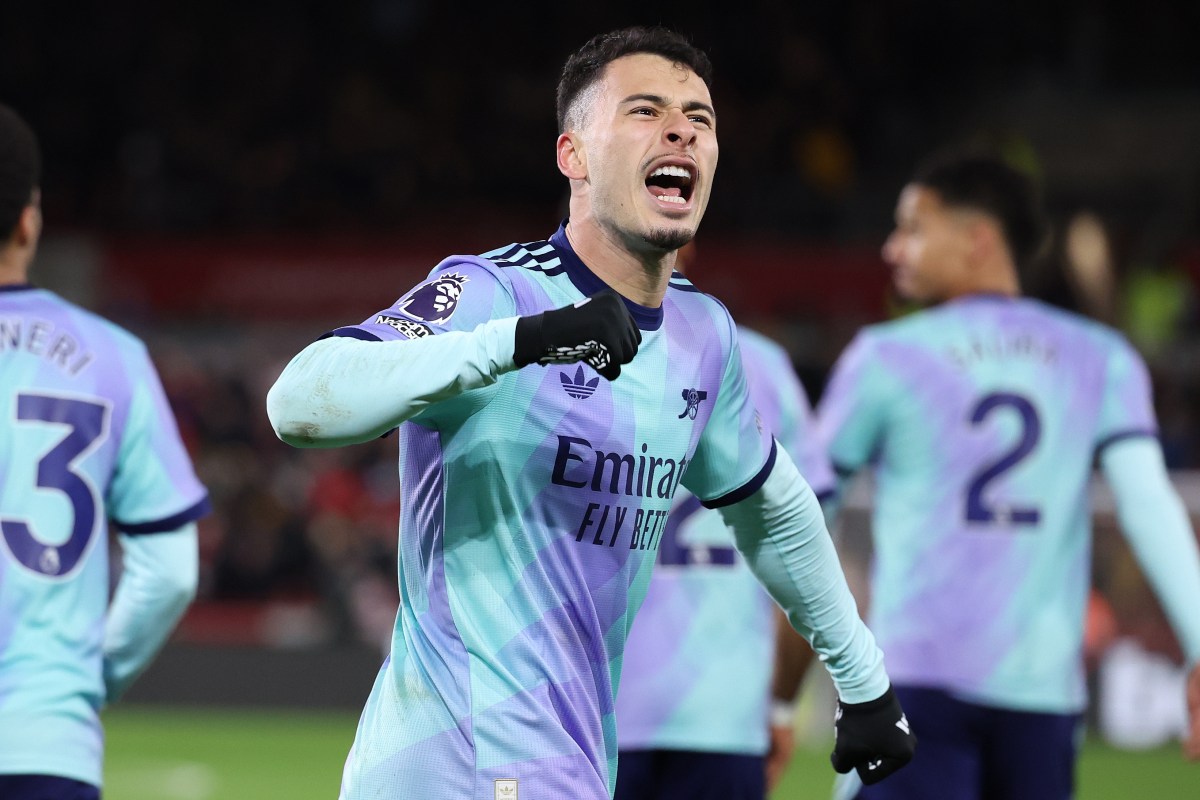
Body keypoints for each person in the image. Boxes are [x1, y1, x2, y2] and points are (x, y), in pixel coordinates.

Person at [266, 26, 914, 800]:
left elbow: (774, 511)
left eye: (699, 118)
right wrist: (526, 341)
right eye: (645, 110)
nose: (681, 130)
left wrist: (863, 680)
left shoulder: (703, 337)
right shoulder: (497, 292)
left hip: (567, 757)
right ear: (573, 155)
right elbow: (299, 400)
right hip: (465, 760)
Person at [817, 151, 1200, 800]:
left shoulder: (885, 357)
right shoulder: (1101, 357)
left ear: (978, 240)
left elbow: (801, 512)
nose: (892, 248)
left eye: (913, 228)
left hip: (915, 681)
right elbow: (1148, 503)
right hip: (1041, 698)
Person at [0, 103, 210, 799]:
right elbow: (170, 573)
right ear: (29, 219)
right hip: (43, 737)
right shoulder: (111, 357)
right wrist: (87, 678)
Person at [614, 322, 833, 800]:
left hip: (590, 706)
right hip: (725, 710)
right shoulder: (761, 362)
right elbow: (805, 563)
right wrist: (780, 707)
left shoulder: (576, 342)